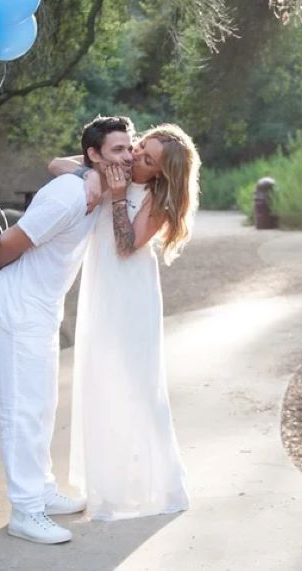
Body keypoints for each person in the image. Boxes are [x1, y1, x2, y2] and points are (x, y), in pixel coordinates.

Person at [0, 115, 135, 544]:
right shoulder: (68, 194)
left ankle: (42, 491)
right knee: (22, 410)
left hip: (42, 308)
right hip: (20, 308)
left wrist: (91, 173)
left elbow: (63, 162)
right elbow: (12, 241)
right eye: (117, 149)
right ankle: (25, 511)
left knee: (42, 405)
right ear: (94, 155)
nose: (127, 156)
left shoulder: (93, 182)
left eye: (129, 147)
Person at [48, 124, 201, 520]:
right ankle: (107, 483)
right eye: (139, 146)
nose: (135, 157)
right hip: (101, 287)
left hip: (132, 293)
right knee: (100, 377)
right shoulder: (114, 166)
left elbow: (126, 245)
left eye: (148, 159)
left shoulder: (156, 198)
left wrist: (116, 196)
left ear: (162, 173)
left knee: (136, 382)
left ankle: (156, 483)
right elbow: (55, 164)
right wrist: (90, 173)